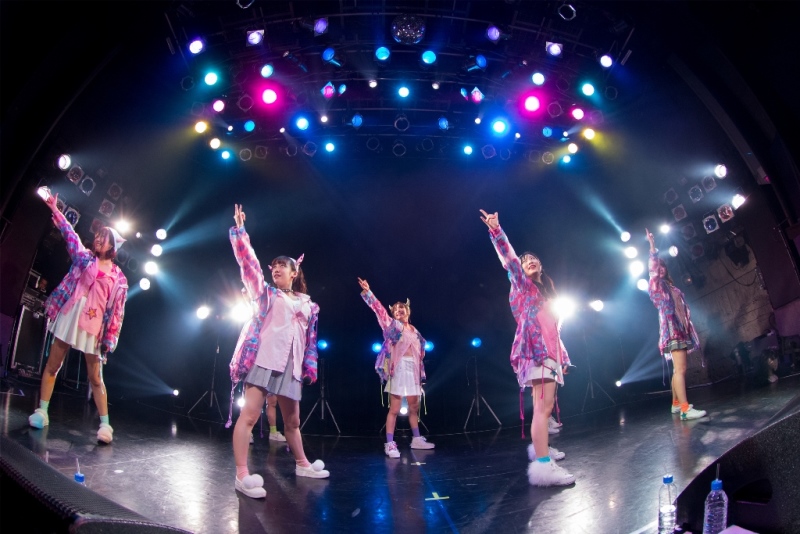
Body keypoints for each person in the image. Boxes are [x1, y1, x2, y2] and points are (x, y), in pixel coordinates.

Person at [228, 204, 328, 500]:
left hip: (291, 366)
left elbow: (310, 341)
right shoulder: (266, 293)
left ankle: (302, 464)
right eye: (274, 266)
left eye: (283, 265)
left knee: (293, 422)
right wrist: (241, 232)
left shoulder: (309, 304)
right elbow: (248, 265)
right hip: (265, 358)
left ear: (295, 272)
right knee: (249, 416)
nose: (276, 268)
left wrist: (308, 367)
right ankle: (242, 474)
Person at [480, 209, 574, 487]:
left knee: (545, 408)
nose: (529, 261)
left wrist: (563, 357)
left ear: (541, 266)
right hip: (535, 351)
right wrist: (496, 231)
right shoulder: (522, 285)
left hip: (549, 352)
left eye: (534, 258)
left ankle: (541, 449)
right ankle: (544, 466)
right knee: (542, 409)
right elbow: (509, 259)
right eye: (525, 260)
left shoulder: (546, 294)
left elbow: (554, 331)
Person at [28, 190, 128, 445]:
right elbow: (69, 234)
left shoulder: (119, 279)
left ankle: (105, 425)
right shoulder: (84, 258)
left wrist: (109, 340)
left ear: (113, 246)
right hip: (71, 315)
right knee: (53, 364)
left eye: (104, 238)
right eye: (98, 236)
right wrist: (55, 209)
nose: (98, 239)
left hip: (93, 327)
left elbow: (117, 313)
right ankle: (42, 411)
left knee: (95, 377)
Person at [358, 277, 435, 458]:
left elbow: (420, 353)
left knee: (414, 407)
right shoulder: (392, 326)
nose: (399, 310)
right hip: (399, 368)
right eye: (395, 309)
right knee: (394, 408)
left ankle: (416, 439)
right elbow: (378, 309)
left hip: (413, 370)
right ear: (393, 314)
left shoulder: (415, 331)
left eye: (402, 308)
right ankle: (390, 443)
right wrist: (368, 292)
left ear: (408, 311)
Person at [646, 228, 707, 420]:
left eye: (663, 267)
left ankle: (676, 404)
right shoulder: (657, 287)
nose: (661, 269)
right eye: (659, 267)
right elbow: (653, 270)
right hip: (672, 332)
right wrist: (652, 247)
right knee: (681, 370)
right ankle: (685, 410)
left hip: (678, 330)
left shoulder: (670, 287)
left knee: (676, 370)